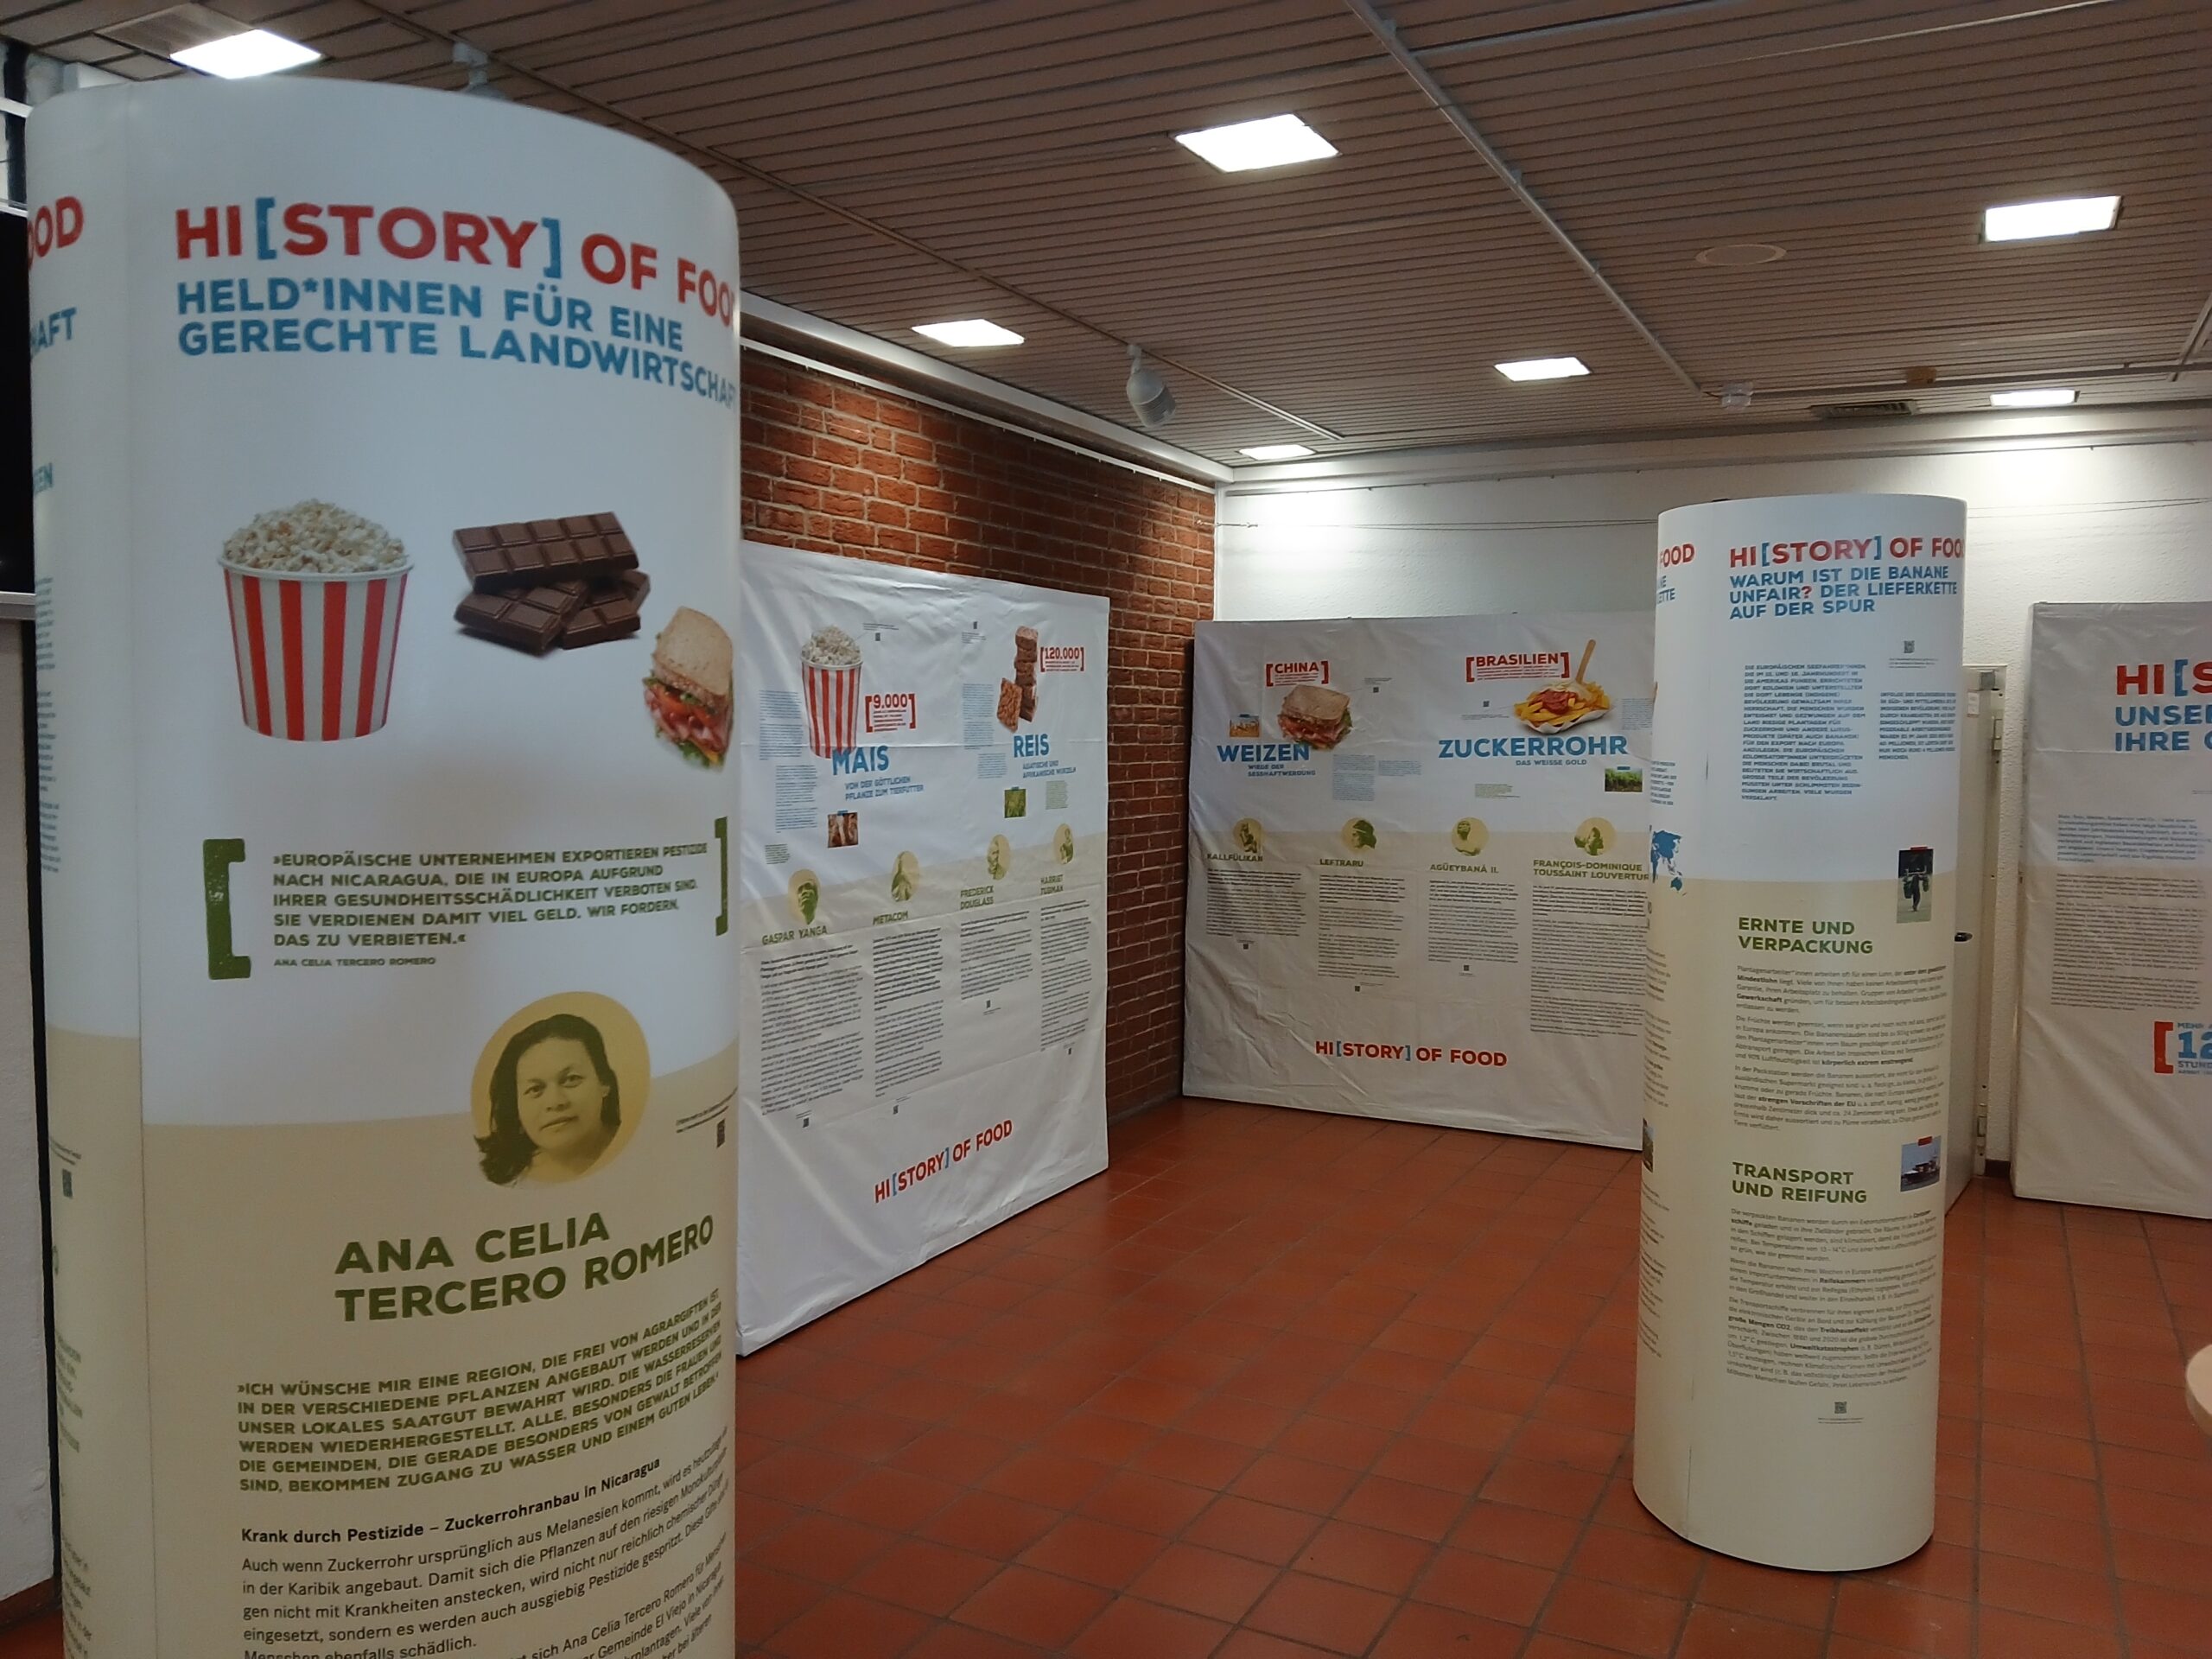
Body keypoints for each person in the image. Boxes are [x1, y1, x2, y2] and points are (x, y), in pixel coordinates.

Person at [478, 1013, 621, 1185]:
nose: (555, 1102)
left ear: (604, 1082)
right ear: (516, 1106)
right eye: (535, 1089)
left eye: (571, 1079)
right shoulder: (513, 1186)